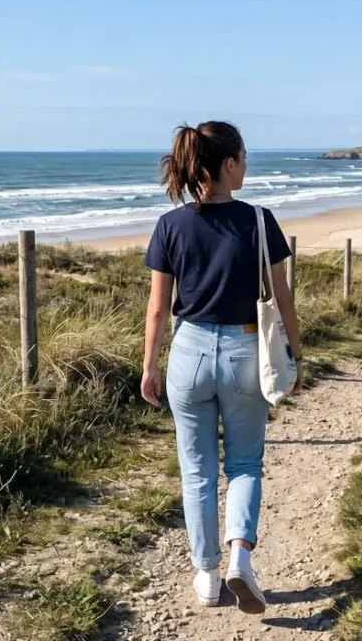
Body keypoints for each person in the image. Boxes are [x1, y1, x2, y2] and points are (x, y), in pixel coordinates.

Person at [140, 121, 303, 615]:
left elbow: (157, 307)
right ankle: (240, 559)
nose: (247, 165)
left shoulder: (171, 225)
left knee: (197, 472)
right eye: (244, 158)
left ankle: (206, 577)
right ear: (228, 164)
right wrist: (295, 350)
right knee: (246, 464)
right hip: (244, 352)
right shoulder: (258, 221)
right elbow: (281, 298)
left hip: (187, 355)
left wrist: (149, 366)